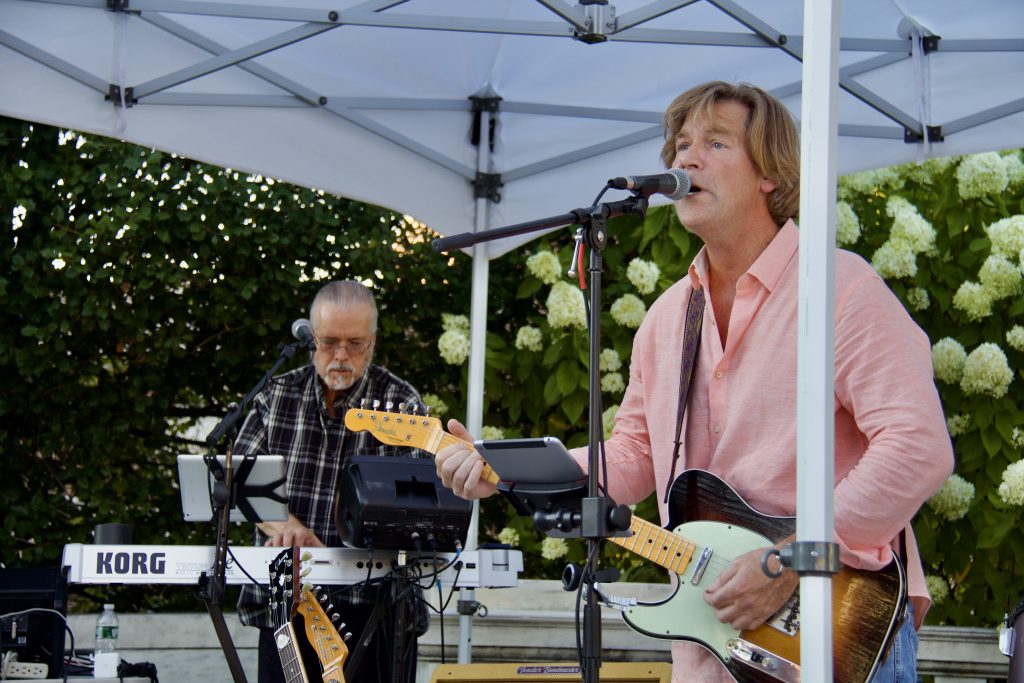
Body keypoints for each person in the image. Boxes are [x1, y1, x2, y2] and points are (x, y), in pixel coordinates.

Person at [435, 81, 954, 682]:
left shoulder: (840, 289)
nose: (686, 160)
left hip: (834, 629)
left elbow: (918, 448)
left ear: (770, 174)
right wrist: (505, 470)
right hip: (711, 639)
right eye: (681, 145)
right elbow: (632, 457)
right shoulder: (666, 319)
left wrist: (788, 560)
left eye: (715, 143)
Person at [234, 279, 428, 683]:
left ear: (373, 342)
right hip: (287, 597)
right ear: (310, 338)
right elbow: (237, 478)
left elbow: (421, 505)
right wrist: (284, 526)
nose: (341, 356)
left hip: (376, 603)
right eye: (329, 342)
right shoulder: (276, 396)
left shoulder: (402, 403)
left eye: (355, 344)